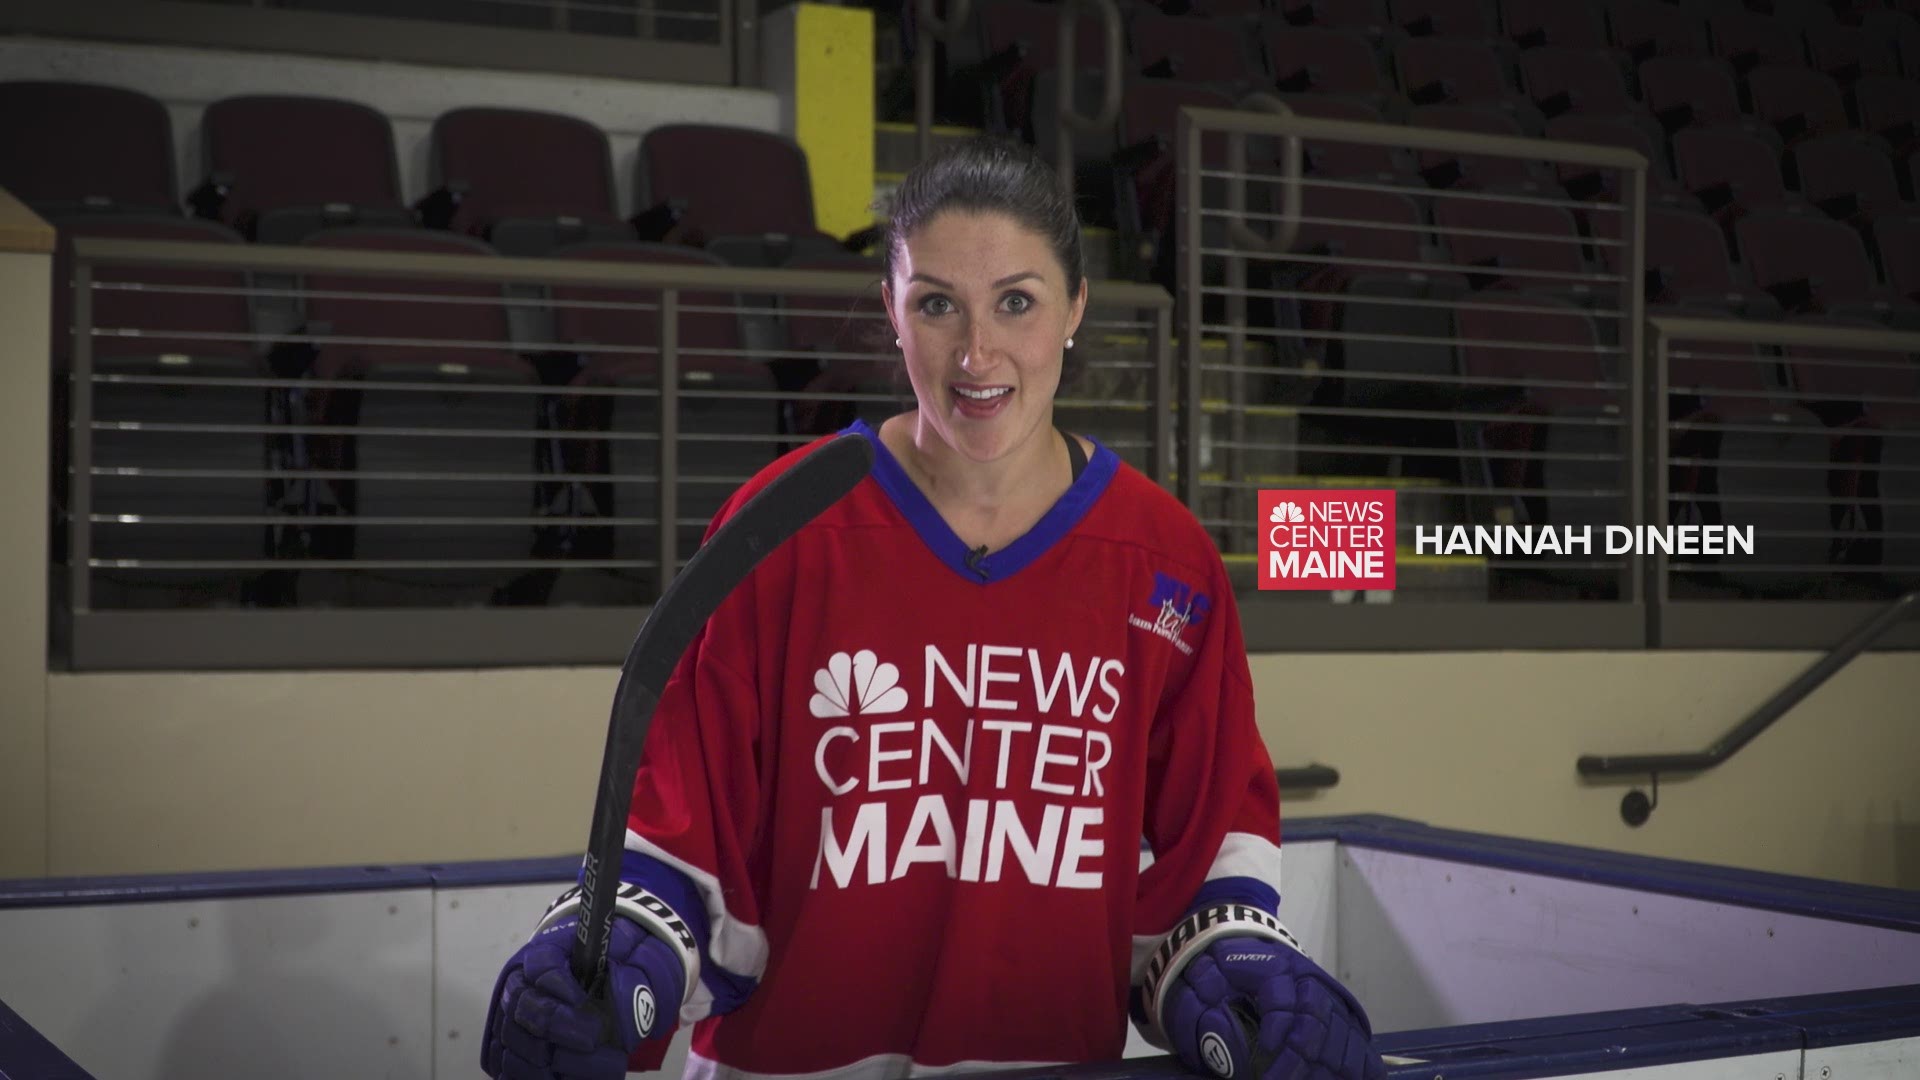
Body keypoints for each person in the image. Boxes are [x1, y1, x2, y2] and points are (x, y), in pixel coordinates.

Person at [482, 136, 1386, 1080]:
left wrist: (1234, 963)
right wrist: (606, 957)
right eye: (938, 304)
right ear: (893, 310)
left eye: (1018, 303)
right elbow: (681, 828)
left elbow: (1198, 860)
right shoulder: (782, 525)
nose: (978, 352)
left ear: (1075, 309)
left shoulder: (1166, 562)